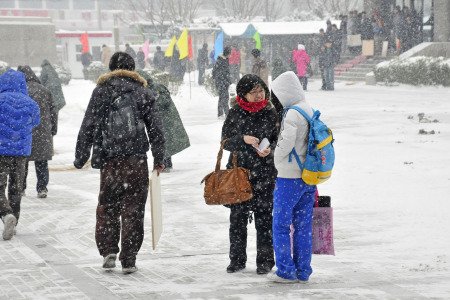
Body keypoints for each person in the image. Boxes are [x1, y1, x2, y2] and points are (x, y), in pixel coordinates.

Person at [73, 52, 165, 274]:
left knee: (108, 205)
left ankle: (108, 250)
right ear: (133, 70)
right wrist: (160, 157)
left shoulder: (101, 91)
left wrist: (81, 155)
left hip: (110, 160)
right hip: (136, 160)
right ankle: (129, 257)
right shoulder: (143, 92)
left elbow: (89, 124)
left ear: (111, 68)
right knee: (134, 207)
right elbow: (155, 128)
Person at [221, 74, 279, 275]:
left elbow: (279, 140)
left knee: (264, 218)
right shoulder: (235, 112)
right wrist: (242, 139)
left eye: (261, 90)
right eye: (253, 92)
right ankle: (236, 260)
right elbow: (225, 142)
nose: (258, 95)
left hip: (264, 172)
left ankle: (265, 261)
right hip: (240, 173)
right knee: (237, 218)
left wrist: (270, 148)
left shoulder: (271, 112)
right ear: (242, 95)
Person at [268, 70, 316, 283]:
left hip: (289, 178)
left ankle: (286, 271)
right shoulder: (309, 109)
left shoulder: (292, 113)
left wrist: (275, 159)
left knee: (280, 225)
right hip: (308, 176)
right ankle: (303, 270)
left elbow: (285, 144)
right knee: (303, 226)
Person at [0, 69, 40, 240]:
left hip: (1, 151)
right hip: (21, 152)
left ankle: (6, 213)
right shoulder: (30, 103)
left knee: (0, 186)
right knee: (16, 187)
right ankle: (14, 219)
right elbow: (35, 122)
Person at [136, 70, 190, 172]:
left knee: (165, 140)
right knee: (164, 140)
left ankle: (166, 164)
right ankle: (166, 163)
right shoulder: (148, 89)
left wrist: (155, 99)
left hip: (166, 119)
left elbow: (165, 101)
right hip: (161, 118)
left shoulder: (156, 88)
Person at [17, 66, 56, 199]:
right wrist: (53, 128)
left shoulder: (19, 91)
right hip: (42, 132)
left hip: (24, 132)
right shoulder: (44, 90)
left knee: (22, 162)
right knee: (41, 162)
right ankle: (42, 188)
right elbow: (53, 111)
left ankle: (21, 188)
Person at [40, 59, 66, 134]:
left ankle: (51, 133)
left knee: (50, 115)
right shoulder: (52, 70)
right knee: (55, 114)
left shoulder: (44, 70)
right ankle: (54, 131)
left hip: (51, 95)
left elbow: (41, 82)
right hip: (58, 96)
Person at [212, 46, 232, 118]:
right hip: (221, 82)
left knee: (222, 97)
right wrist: (223, 80)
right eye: (230, 53)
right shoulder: (221, 61)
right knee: (225, 97)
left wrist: (228, 80)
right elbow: (217, 72)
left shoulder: (225, 60)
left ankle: (220, 113)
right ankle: (227, 113)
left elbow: (225, 72)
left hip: (223, 82)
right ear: (227, 53)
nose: (231, 55)